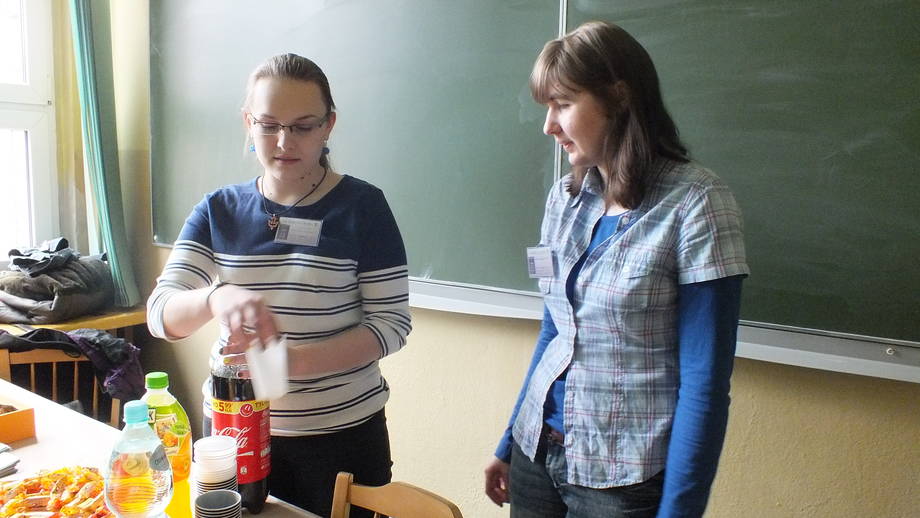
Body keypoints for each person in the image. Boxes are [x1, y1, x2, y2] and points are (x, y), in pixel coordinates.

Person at [484, 21, 749, 518]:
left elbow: (705, 382)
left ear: (619, 98)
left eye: (563, 104)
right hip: (535, 452)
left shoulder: (697, 203)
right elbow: (554, 332)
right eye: (546, 107)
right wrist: (508, 441)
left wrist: (680, 511)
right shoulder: (565, 198)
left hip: (622, 477)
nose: (548, 126)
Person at [146, 53, 411, 518]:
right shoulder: (218, 210)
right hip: (234, 431)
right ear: (248, 123)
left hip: (339, 438)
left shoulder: (362, 207)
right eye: (268, 126)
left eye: (303, 126)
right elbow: (160, 315)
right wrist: (215, 297)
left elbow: (391, 325)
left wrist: (293, 362)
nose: (284, 142)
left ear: (328, 126)